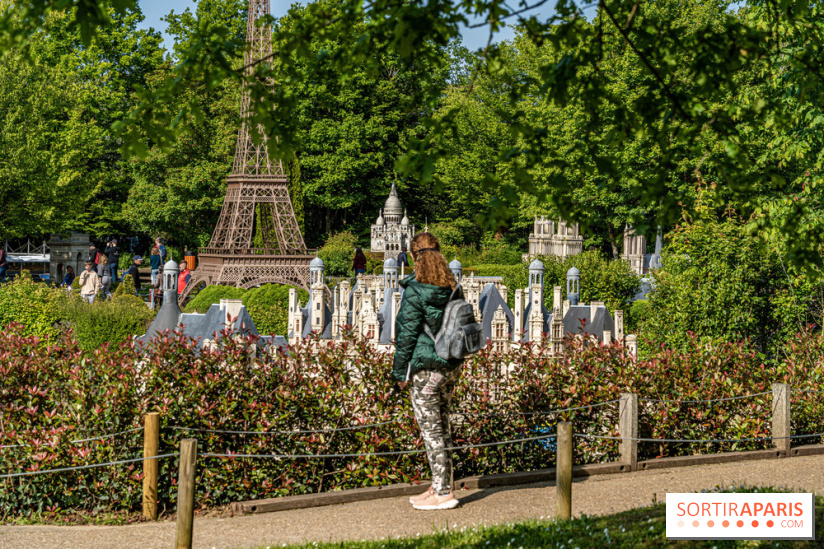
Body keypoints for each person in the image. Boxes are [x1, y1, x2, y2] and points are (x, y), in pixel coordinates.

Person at [392, 232, 464, 511]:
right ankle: (440, 484)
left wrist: (400, 374)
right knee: (442, 427)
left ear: (414, 257)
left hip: (425, 370)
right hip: (450, 366)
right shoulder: (452, 287)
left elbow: (407, 335)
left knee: (430, 431)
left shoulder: (415, 291)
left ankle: (443, 493)